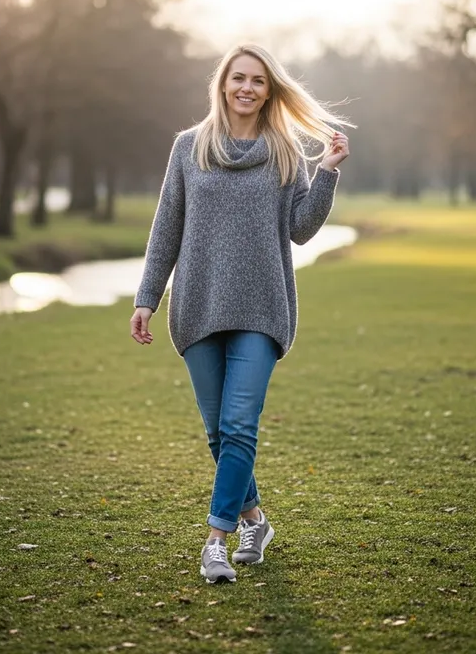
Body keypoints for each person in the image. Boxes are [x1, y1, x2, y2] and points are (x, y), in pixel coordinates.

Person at [129, 43, 351, 584]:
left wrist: (326, 173)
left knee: (238, 425)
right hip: (198, 305)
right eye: (238, 79)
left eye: (258, 81)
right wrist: (146, 298)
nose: (247, 88)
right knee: (217, 433)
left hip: (262, 308)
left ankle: (215, 542)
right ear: (222, 85)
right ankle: (254, 519)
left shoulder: (285, 155)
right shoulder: (188, 149)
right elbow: (167, 229)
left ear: (270, 90)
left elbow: (300, 229)